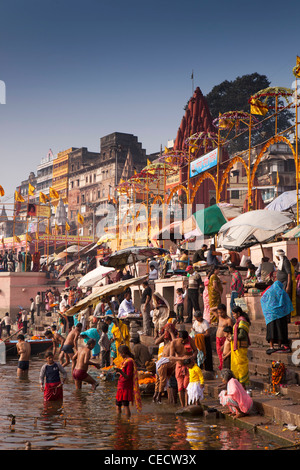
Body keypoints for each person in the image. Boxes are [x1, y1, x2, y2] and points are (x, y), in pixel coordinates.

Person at [260, 280, 293, 354]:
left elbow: (262, 300)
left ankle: (271, 346)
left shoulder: (268, 291)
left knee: (271, 331)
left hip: (270, 315)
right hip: (280, 314)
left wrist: (267, 309)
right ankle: (279, 345)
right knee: (279, 330)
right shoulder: (281, 292)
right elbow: (287, 302)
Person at [169, 329, 198, 407]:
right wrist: (181, 359)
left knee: (187, 387)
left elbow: (195, 351)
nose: (183, 342)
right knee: (180, 388)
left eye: (184, 341)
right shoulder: (174, 343)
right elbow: (171, 357)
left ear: (187, 338)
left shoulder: (190, 341)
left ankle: (187, 405)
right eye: (181, 340)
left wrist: (192, 357)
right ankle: (182, 406)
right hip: (179, 366)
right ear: (178, 337)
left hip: (189, 366)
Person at [114, 344, 142, 417]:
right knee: (118, 404)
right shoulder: (126, 360)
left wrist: (120, 371)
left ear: (123, 353)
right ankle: (119, 421)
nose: (120, 355)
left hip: (125, 386)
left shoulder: (129, 362)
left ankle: (127, 422)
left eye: (120, 354)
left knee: (125, 404)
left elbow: (128, 376)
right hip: (121, 385)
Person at [153, 322, 177, 404]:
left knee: (163, 378)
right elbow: (156, 342)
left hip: (170, 362)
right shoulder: (166, 340)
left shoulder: (174, 339)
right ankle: (156, 394)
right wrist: (165, 333)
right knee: (158, 379)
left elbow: (175, 342)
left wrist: (170, 332)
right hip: (162, 361)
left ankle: (159, 395)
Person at [231, 306, 251, 387]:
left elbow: (241, 335)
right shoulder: (238, 321)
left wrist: (232, 337)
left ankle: (242, 384)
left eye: (234, 314)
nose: (233, 316)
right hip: (238, 347)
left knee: (241, 364)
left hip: (241, 347)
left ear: (238, 313)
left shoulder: (242, 322)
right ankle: (239, 383)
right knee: (237, 364)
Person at [216, 304, 233, 370]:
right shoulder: (219, 317)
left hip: (224, 339)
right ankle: (222, 367)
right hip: (217, 338)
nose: (220, 314)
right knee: (219, 354)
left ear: (225, 311)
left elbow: (230, 331)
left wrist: (225, 342)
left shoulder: (229, 320)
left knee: (224, 354)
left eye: (221, 312)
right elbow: (212, 310)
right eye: (219, 312)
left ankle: (224, 368)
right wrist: (217, 307)